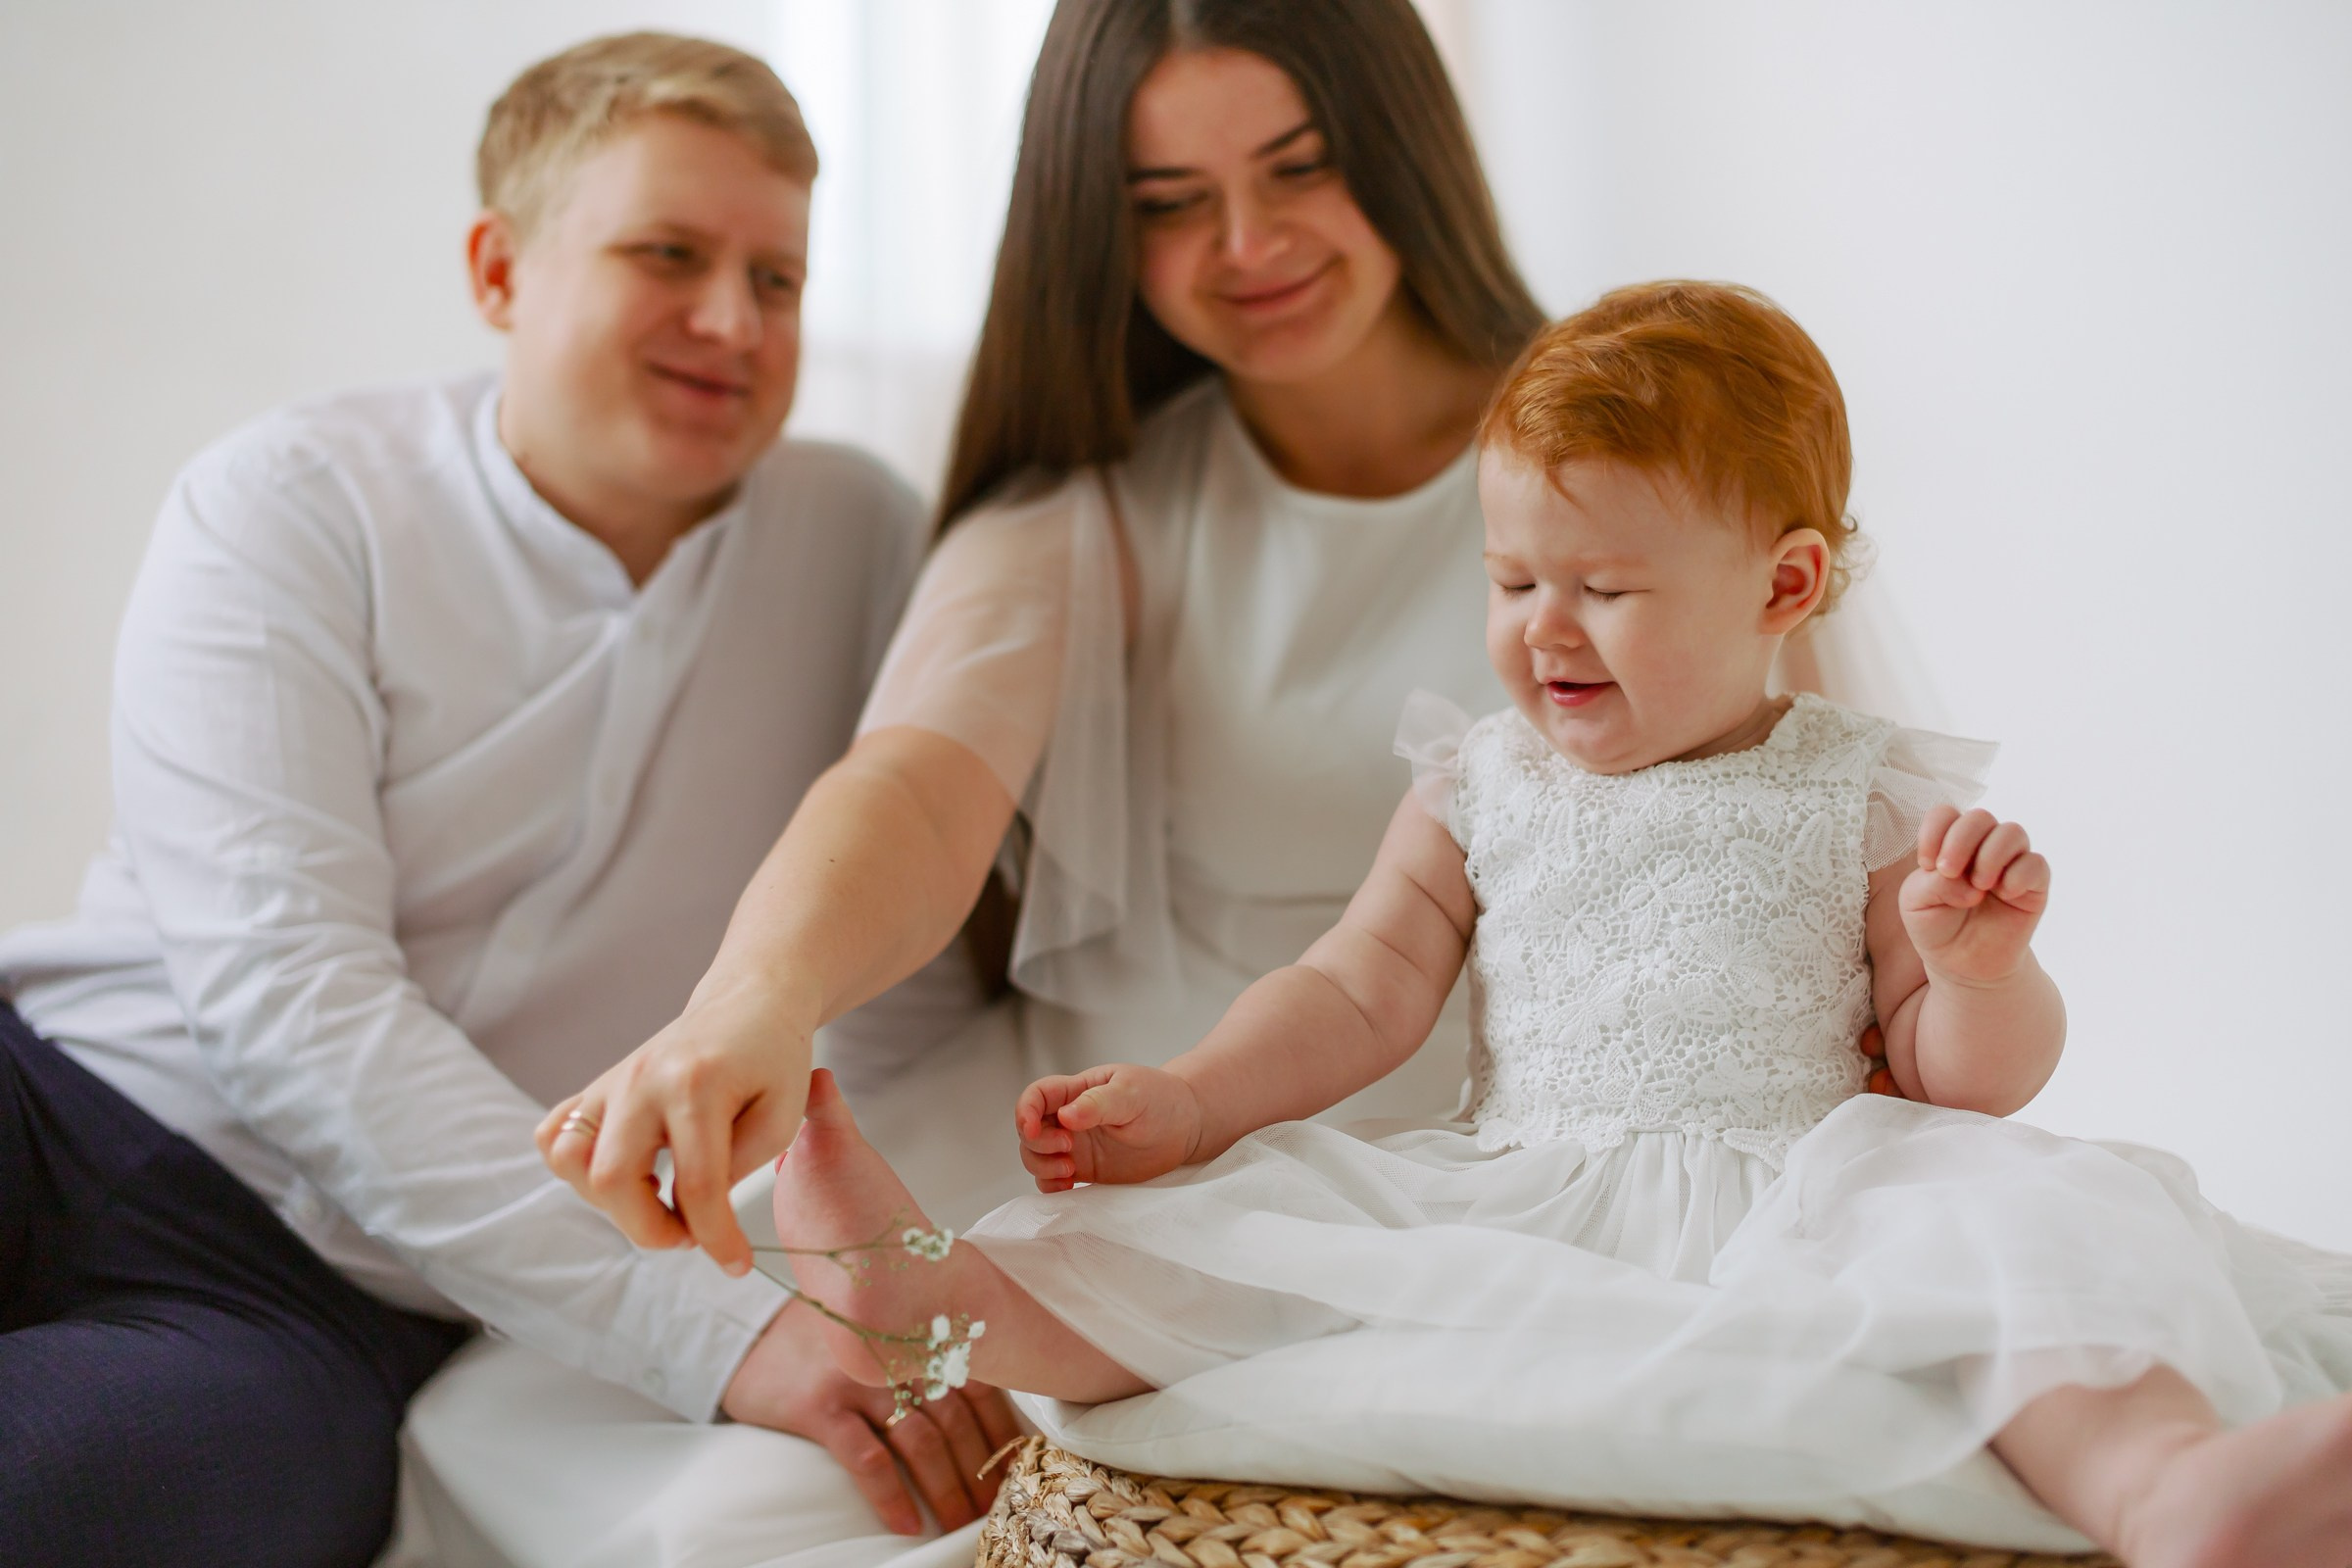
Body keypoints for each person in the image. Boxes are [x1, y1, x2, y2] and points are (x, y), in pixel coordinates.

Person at [764, 282, 2352, 1567]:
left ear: (1785, 587)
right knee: (1235, 1247)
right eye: (1511, 579)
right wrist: (1193, 1101)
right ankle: (937, 1290)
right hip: (1525, 1179)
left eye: (1602, 586)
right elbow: (1359, 986)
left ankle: (2169, 1492)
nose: (1542, 631)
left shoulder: (1859, 792)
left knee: (2023, 1245)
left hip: (1813, 1183)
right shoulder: (1478, 783)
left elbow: (1963, 1084)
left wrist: (1977, 970)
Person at [547, 0, 1894, 1277]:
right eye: (1169, 205)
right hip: (1135, 1152)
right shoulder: (1088, 514)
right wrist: (756, 999)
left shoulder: (1676, 469)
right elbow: (914, 787)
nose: (1247, 245)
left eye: (1298, 169)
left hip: (1553, 1186)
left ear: (1402, 147)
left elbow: (1795, 827)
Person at [0, 33, 1017, 1568]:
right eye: (668, 254)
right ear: (499, 271)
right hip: (58, 1097)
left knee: (75, 1506)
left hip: (321, 1302)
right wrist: (715, 1334)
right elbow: (288, 991)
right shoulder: (290, 500)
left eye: (781, 280)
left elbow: (906, 956)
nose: (732, 322)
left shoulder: (868, 544)